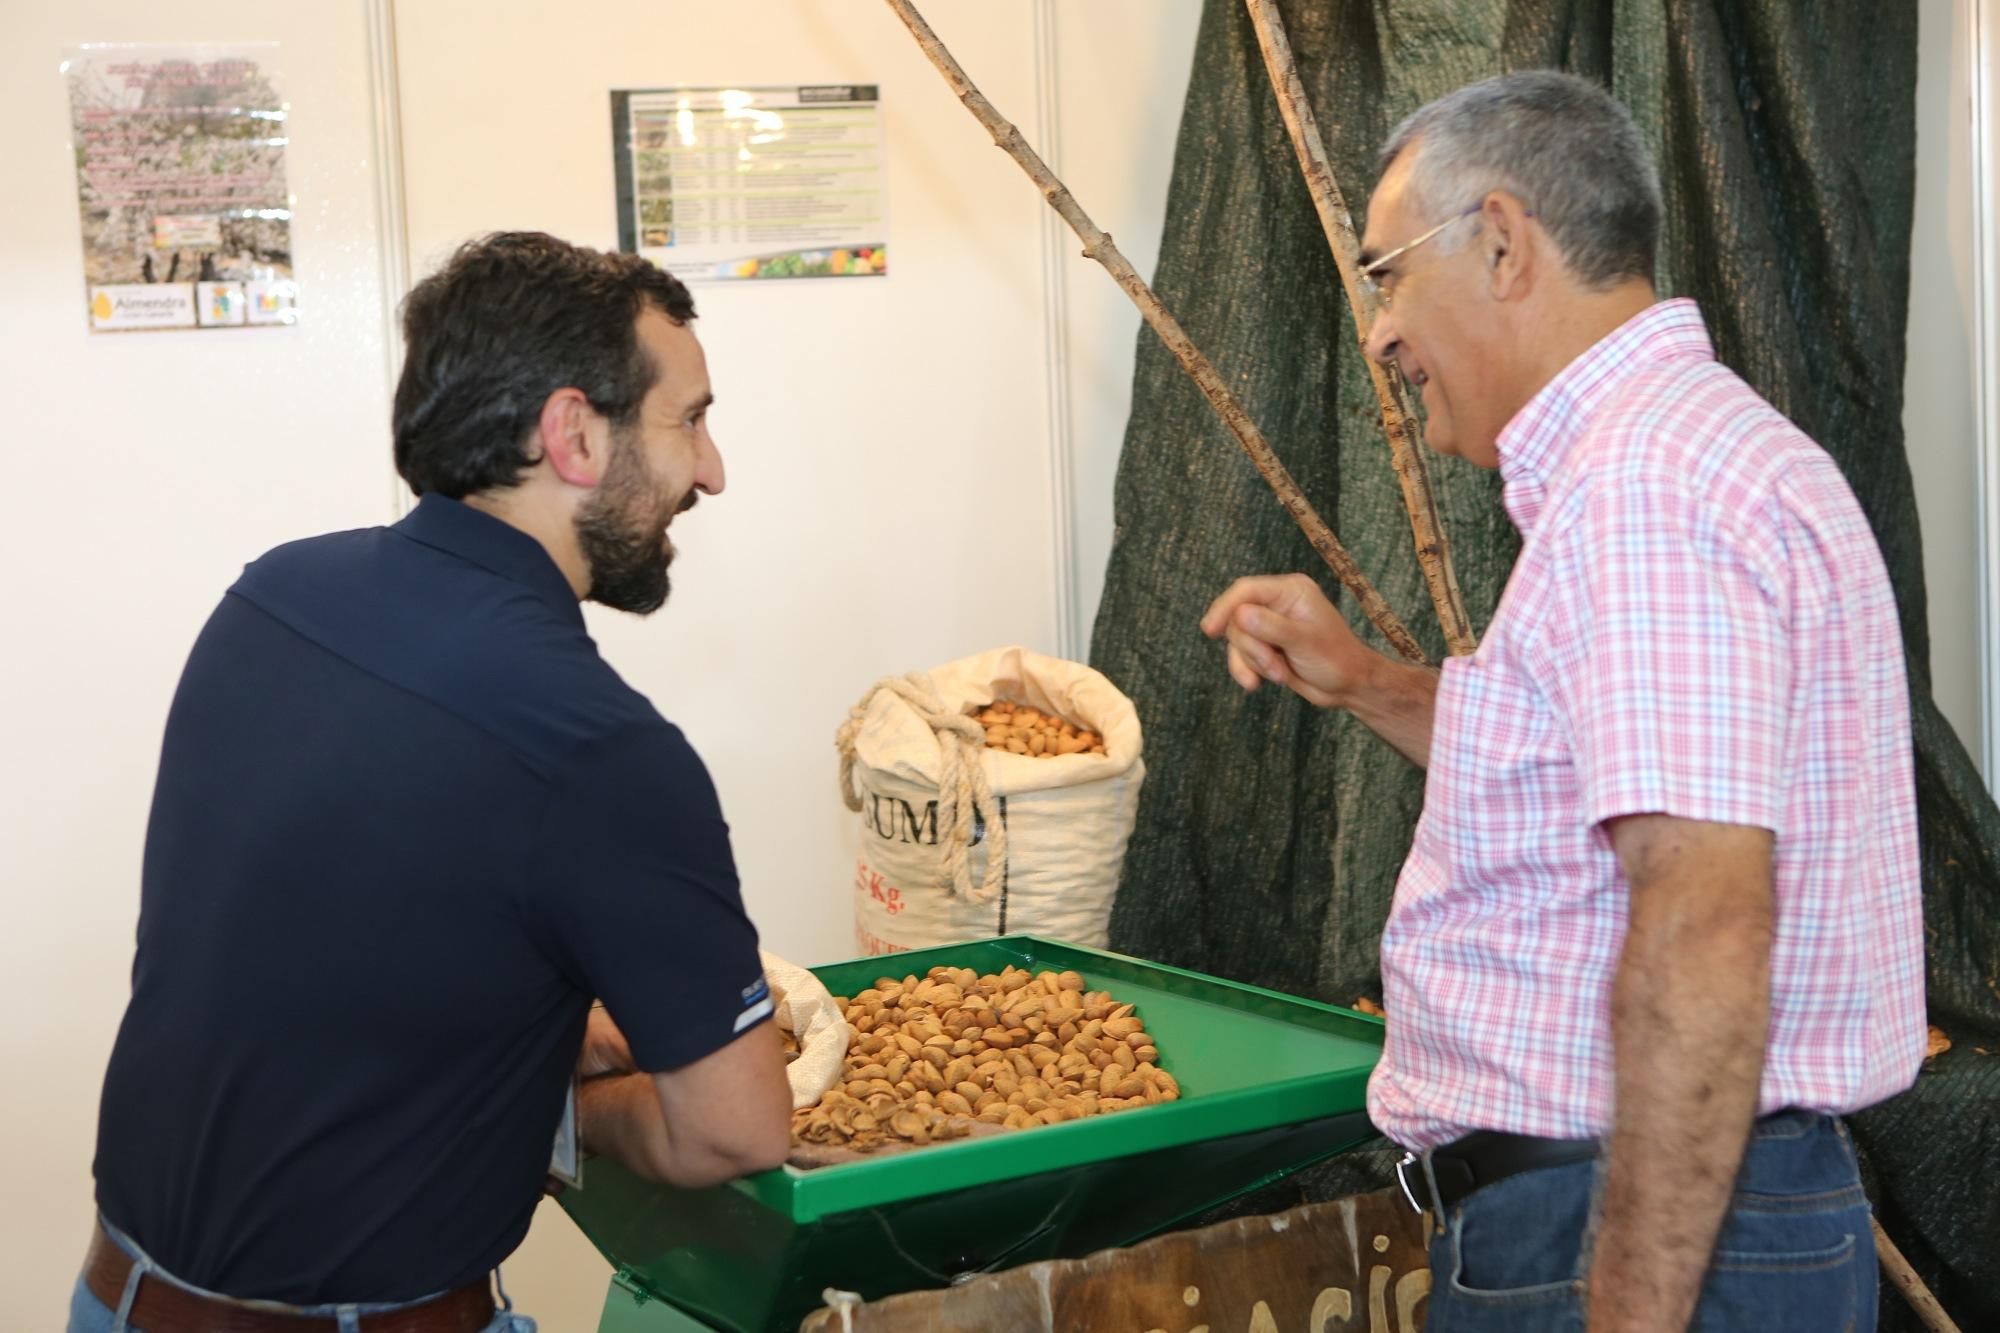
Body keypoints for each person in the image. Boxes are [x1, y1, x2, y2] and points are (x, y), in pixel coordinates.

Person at [1204, 73, 1923, 1332]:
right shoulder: (1690, 454)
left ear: (1498, 242)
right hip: (1669, 1216)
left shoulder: (1641, 490)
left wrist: (1631, 1310)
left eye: (1384, 275)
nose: (1376, 332)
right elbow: (1571, 767)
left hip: (1629, 1230)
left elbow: (1701, 921)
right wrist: (1368, 684)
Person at [73, 232, 792, 1333]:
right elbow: (734, 1131)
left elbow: (340, 960)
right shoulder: (602, 750)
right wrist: (583, 1109)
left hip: (119, 1299)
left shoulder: (273, 597)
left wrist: (557, 1050)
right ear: (573, 435)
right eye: (688, 418)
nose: (712, 468)